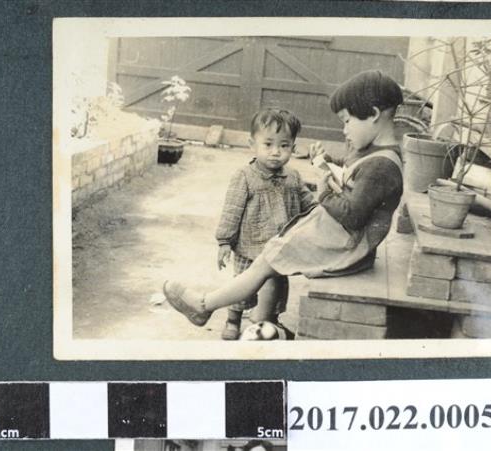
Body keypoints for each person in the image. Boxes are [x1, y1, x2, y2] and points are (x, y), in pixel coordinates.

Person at [163, 70, 404, 328]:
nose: (344, 130)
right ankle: (254, 317)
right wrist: (325, 161)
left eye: (347, 121)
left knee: (268, 260)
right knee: (270, 256)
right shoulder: (374, 153)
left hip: (346, 246)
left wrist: (323, 192)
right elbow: (352, 172)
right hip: (339, 236)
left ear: (374, 114)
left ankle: (205, 306)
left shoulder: (381, 167)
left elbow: (353, 216)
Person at [214, 108, 315, 339]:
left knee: (278, 286)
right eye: (268, 144)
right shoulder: (245, 176)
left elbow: (308, 202)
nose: (275, 152)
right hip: (250, 246)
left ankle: (271, 319)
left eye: (284, 145)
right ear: (253, 144)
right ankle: (233, 319)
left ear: (293, 148)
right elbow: (232, 210)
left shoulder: (293, 177)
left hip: (280, 247)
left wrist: (321, 208)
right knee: (242, 285)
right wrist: (224, 241)